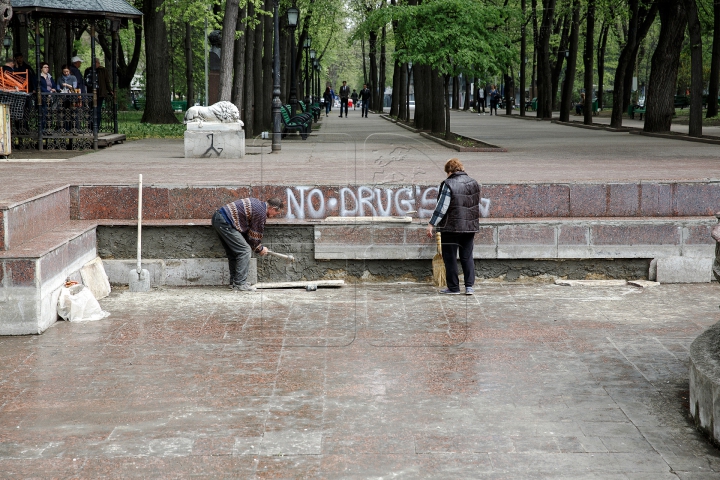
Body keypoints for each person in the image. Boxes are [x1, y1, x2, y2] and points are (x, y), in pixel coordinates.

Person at [426, 158, 481, 295]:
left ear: (450, 171)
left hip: (452, 227)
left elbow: (442, 207)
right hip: (469, 226)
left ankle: (454, 288)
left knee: (450, 257)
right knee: (467, 256)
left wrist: (431, 223)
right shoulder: (473, 183)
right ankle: (469, 286)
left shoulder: (449, 184)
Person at [212, 197, 285, 292]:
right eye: (276, 213)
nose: (275, 215)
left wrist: (258, 247)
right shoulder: (261, 213)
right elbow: (254, 237)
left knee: (234, 252)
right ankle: (240, 284)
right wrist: (260, 249)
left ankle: (235, 282)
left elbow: (249, 234)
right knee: (245, 251)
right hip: (225, 222)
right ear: (272, 208)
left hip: (220, 219)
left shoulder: (258, 205)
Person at [84, 58, 113, 130]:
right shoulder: (88, 70)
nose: (95, 64)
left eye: (96, 63)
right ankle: (90, 126)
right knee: (91, 110)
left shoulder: (103, 70)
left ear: (98, 63)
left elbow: (107, 81)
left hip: (100, 93)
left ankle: (96, 126)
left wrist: (110, 90)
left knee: (97, 110)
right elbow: (85, 80)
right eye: (93, 63)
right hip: (90, 93)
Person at [39, 62, 57, 131]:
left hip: (51, 96)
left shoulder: (50, 77)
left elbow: (54, 85)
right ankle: (42, 128)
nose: (47, 69)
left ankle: (48, 128)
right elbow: (39, 87)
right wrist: (47, 92)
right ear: (41, 68)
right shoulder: (39, 77)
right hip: (43, 97)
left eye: (47, 67)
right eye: (45, 67)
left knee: (49, 112)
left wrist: (53, 89)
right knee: (44, 112)